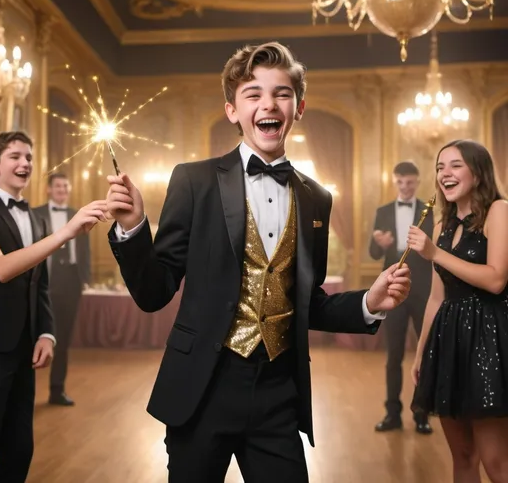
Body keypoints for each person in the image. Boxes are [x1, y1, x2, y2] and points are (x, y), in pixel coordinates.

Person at [106, 42, 411, 483]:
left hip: (278, 393)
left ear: (298, 107)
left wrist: (369, 301)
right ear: (232, 110)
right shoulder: (193, 181)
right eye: (253, 94)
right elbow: (154, 293)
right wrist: (134, 229)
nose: (268, 103)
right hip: (201, 389)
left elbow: (311, 303)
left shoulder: (317, 199)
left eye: (281, 93)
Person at [0, 130, 107, 482]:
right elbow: (1, 270)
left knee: (19, 447)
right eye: (14, 156)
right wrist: (66, 233)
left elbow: (39, 283)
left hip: (24, 345)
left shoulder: (36, 218)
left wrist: (46, 332)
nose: (25, 163)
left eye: (28, 157)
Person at [409, 140, 508, 483]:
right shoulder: (442, 227)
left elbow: (496, 279)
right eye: (439, 167)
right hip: (448, 341)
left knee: (497, 462)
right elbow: (436, 298)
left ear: (478, 173)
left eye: (454, 166)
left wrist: (434, 254)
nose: (444, 174)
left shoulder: (499, 211)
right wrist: (422, 353)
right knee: (462, 456)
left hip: (489, 340)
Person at [369, 161, 433, 434]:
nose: (405, 187)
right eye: (400, 183)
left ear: (417, 182)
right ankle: (392, 414)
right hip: (392, 292)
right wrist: (379, 244)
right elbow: (373, 254)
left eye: (410, 183)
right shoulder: (382, 211)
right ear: (394, 182)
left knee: (426, 354)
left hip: (424, 292)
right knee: (393, 355)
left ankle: (422, 415)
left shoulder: (430, 211)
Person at [34, 173, 91, 406]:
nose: (62, 189)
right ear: (48, 190)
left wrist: (85, 278)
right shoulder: (35, 213)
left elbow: (84, 249)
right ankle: (21, 394)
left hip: (71, 281)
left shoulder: (78, 214)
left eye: (65, 185)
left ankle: (57, 391)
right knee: (33, 336)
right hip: (42, 281)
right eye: (57, 185)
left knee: (63, 340)